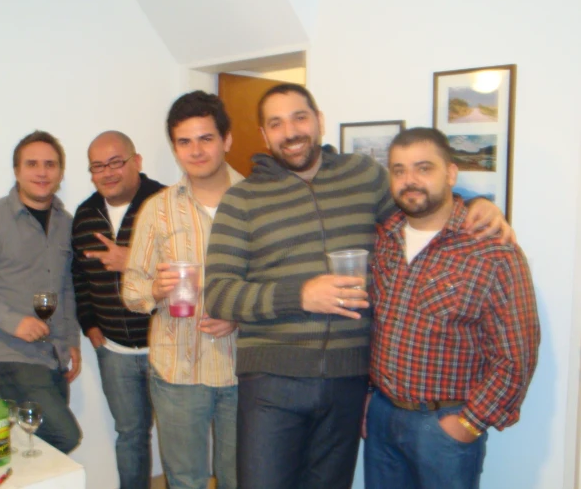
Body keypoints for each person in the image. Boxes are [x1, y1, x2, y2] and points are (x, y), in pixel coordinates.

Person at [204, 83, 511, 489]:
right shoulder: (241, 199)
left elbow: (418, 202)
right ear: (264, 135)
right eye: (276, 124)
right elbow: (219, 293)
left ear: (319, 120)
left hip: (348, 383)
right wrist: (299, 295)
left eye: (299, 117)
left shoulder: (364, 176)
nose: (290, 131)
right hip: (271, 384)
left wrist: (474, 203)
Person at [363, 127, 540, 489]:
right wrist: (368, 399)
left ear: (451, 173)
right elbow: (375, 326)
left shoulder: (493, 251)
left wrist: (470, 422)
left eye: (423, 168)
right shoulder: (384, 238)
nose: (409, 180)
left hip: (444, 426)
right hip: (381, 416)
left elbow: (516, 357)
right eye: (399, 170)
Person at [123, 91, 241, 489]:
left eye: (206, 138)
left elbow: (278, 283)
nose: (196, 150)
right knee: (186, 480)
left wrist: (240, 314)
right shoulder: (157, 209)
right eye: (184, 142)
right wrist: (155, 288)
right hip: (177, 369)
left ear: (226, 140)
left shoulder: (257, 201)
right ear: (175, 148)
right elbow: (132, 289)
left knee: (241, 478)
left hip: (244, 368)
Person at [0, 130, 82, 454]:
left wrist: (71, 341)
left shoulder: (66, 222)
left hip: (51, 356)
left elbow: (65, 287)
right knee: (63, 436)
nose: (41, 172)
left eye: (50, 164)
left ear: (60, 173)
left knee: (37, 450)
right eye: (32, 164)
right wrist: (15, 322)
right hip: (7, 354)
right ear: (17, 171)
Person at [72, 131, 164, 489]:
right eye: (98, 166)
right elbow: (78, 277)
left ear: (136, 162)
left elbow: (191, 268)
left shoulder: (165, 202)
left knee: (176, 438)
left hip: (167, 347)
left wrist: (132, 261)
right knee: (130, 436)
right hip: (114, 352)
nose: (107, 173)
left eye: (116, 162)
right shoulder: (85, 214)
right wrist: (89, 325)